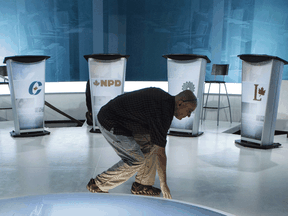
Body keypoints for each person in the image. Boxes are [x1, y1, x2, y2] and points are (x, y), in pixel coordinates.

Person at [86, 87, 197, 199]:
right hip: (111, 121)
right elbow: (160, 153)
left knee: (152, 144)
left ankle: (142, 185)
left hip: (126, 121)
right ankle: (98, 185)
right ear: (180, 103)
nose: (188, 115)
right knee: (135, 160)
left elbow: (157, 145)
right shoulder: (163, 111)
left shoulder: (165, 103)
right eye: (189, 111)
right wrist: (164, 184)